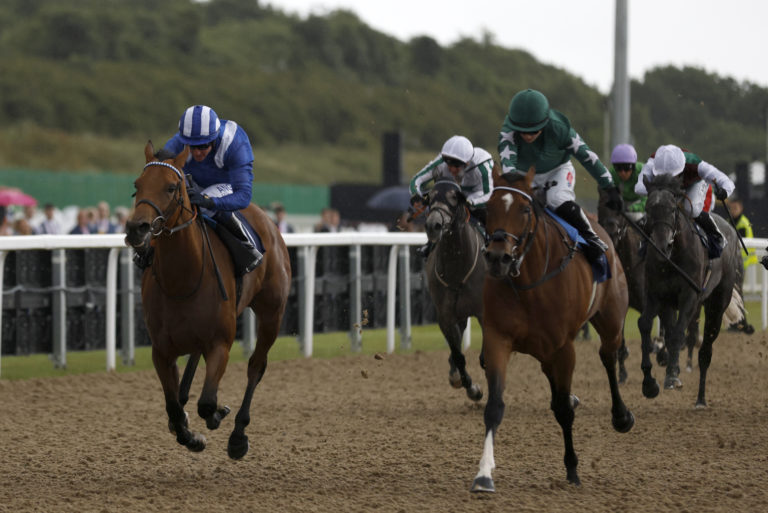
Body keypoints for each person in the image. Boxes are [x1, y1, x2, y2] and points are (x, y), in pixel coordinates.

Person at [498, 89, 623, 263]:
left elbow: (587, 156)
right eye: (522, 131)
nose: (527, 135)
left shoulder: (560, 128)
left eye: (533, 131)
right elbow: (508, 168)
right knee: (511, 203)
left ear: (544, 124)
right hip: (524, 175)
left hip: (559, 170)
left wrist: (609, 186)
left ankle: (593, 239)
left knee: (556, 198)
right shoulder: (507, 133)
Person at [156, 104, 262, 275]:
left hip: (225, 187)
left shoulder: (235, 143)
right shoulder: (178, 143)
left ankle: (246, 247)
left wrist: (210, 202)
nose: (197, 152)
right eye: (192, 146)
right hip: (192, 183)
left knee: (205, 201)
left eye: (203, 146)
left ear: (213, 139)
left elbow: (243, 196)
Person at [634, 144, 735, 257]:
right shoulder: (653, 162)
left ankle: (716, 236)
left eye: (673, 176)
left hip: (693, 184)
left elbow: (726, 182)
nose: (669, 179)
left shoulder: (696, 165)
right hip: (664, 190)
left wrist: (724, 191)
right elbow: (639, 188)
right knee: (658, 204)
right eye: (663, 175)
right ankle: (645, 241)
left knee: (691, 209)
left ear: (681, 169)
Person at [409, 135, 494, 257]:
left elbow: (489, 193)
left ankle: (493, 243)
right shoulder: (442, 161)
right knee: (438, 202)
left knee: (488, 213)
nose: (451, 169)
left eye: (456, 166)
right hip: (454, 193)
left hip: (480, 195)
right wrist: (416, 195)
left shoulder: (482, 166)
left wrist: (469, 202)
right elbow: (416, 180)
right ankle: (430, 244)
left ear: (467, 163)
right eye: (449, 165)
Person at [609, 143, 646, 220]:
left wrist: (631, 208)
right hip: (621, 203)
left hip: (638, 203)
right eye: (618, 168)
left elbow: (647, 201)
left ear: (633, 166)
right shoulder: (611, 173)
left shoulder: (642, 172)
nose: (622, 173)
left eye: (626, 168)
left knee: (636, 217)